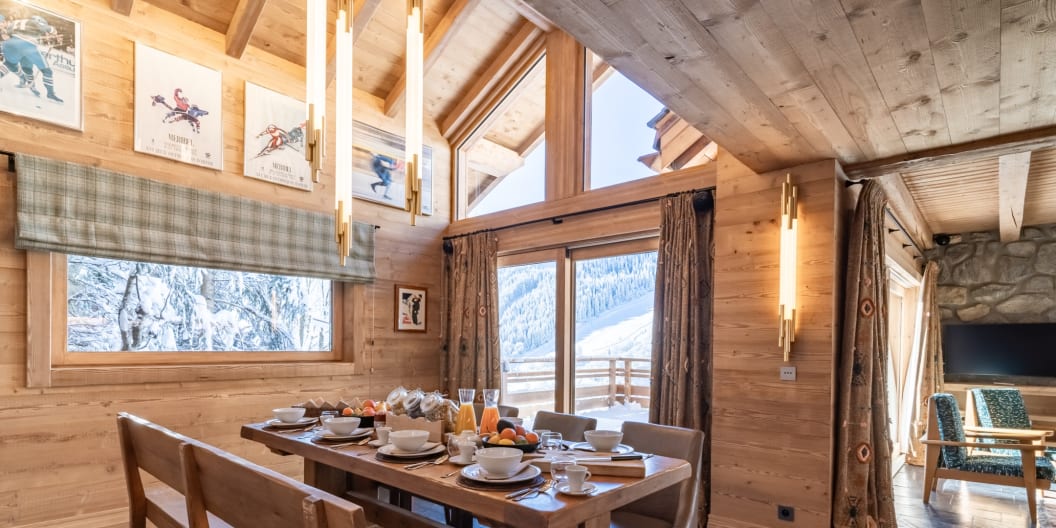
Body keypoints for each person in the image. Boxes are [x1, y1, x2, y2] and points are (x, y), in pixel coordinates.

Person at [1, 14, 63, 103]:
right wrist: (53, 31)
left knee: (12, 65)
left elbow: (8, 33)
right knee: (47, 71)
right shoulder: (35, 22)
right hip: (27, 45)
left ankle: (31, 86)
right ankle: (50, 93)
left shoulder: (17, 21)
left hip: (10, 43)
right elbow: (45, 28)